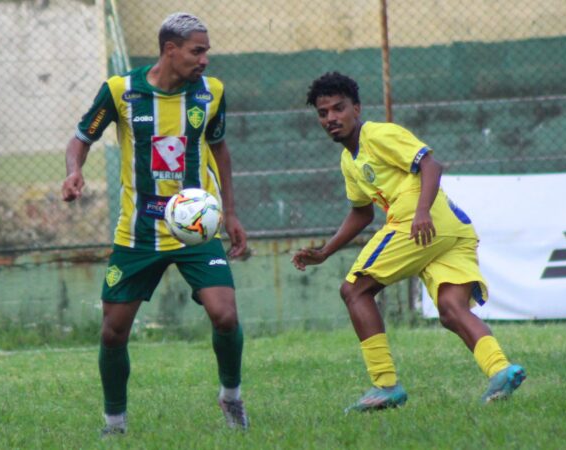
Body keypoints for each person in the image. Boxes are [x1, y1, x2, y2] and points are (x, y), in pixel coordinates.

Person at [61, 12, 249, 435]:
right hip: (138, 233)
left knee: (225, 316)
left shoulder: (211, 93)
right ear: (170, 49)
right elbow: (80, 138)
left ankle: (232, 399)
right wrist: (74, 170)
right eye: (197, 51)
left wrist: (231, 214)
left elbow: (220, 150)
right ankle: (115, 424)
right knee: (112, 333)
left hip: (196, 228)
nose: (204, 60)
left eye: (206, 52)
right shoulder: (120, 91)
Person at [293, 72, 525, 412]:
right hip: (452, 229)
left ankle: (385, 384)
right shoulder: (349, 159)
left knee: (354, 290)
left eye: (338, 108)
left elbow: (431, 165)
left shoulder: (379, 134)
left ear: (356, 108)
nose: (331, 118)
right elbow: (361, 213)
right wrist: (325, 252)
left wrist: (420, 212)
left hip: (419, 222)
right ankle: (501, 370)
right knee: (451, 309)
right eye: (323, 113)